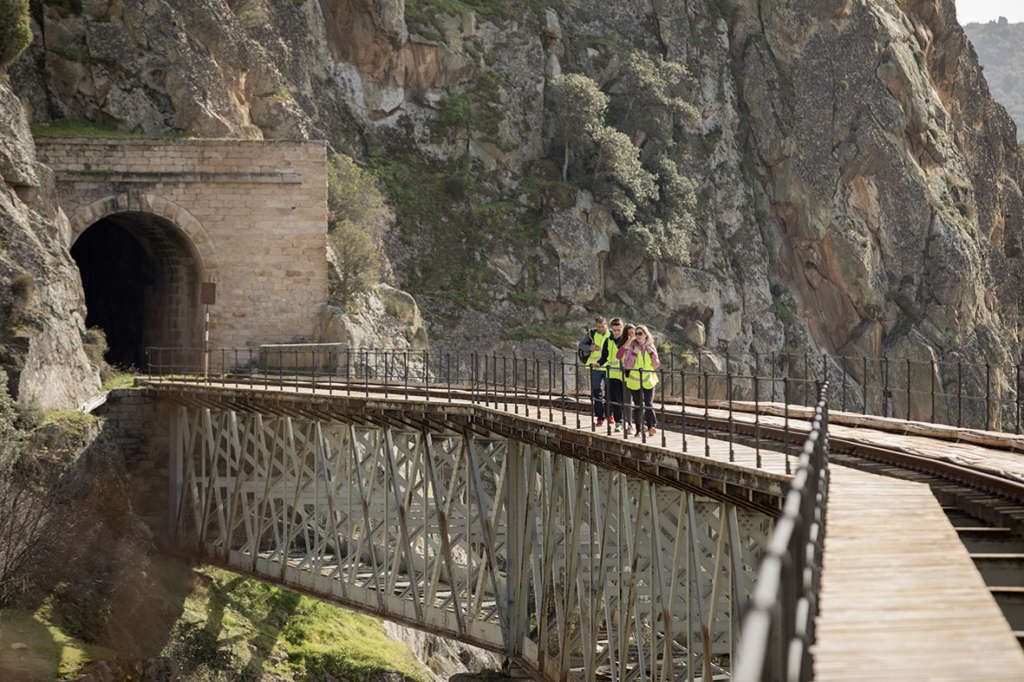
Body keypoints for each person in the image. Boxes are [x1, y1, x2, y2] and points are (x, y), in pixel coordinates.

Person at [618, 324, 660, 437]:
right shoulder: (632, 347)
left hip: (648, 380)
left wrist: (652, 352)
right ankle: (638, 430)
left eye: (640, 333)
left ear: (646, 335)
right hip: (635, 381)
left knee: (648, 403)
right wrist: (634, 353)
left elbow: (656, 364)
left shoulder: (651, 346)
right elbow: (628, 365)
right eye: (636, 334)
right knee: (638, 406)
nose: (638, 336)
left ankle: (651, 426)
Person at [578, 316, 611, 426]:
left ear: (606, 325)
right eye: (598, 327)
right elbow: (581, 345)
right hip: (595, 367)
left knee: (609, 392)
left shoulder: (611, 334)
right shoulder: (591, 333)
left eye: (602, 326)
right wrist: (590, 348)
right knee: (597, 393)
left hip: (608, 367)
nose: (600, 328)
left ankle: (609, 414)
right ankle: (599, 417)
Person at [605, 318, 630, 431]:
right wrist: (598, 363)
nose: (616, 332)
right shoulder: (608, 341)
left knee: (626, 401)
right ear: (611, 329)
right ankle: (618, 423)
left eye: (619, 330)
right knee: (615, 400)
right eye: (614, 330)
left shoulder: (626, 340)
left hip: (626, 375)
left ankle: (629, 423)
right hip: (612, 375)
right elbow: (604, 356)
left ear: (622, 329)